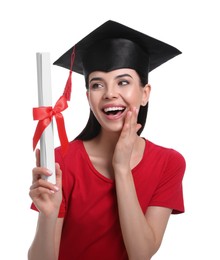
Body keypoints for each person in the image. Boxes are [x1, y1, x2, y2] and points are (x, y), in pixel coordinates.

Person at [28, 20, 186, 260]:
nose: (110, 93)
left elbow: (141, 254)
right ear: (89, 97)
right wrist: (48, 216)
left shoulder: (168, 163)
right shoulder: (62, 161)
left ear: (145, 94)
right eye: (97, 84)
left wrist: (121, 167)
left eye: (123, 82)